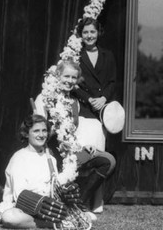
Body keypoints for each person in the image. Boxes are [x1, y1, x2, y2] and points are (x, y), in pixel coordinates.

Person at [35, 60, 116, 217]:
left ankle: (78, 205)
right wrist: (52, 129)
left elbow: (72, 132)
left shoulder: (74, 102)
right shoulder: (44, 99)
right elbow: (37, 133)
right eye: (66, 76)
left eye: (74, 78)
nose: (70, 81)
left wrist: (85, 146)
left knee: (108, 161)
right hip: (49, 153)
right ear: (57, 75)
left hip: (71, 152)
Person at [71, 17, 118, 213]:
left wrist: (104, 98)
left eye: (92, 32)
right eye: (85, 33)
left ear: (98, 33)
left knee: (100, 154)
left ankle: (96, 202)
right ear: (81, 35)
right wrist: (88, 99)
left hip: (102, 113)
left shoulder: (108, 55)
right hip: (84, 112)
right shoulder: (76, 56)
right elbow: (73, 85)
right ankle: (76, 200)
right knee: (83, 156)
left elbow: (113, 82)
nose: (89, 36)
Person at [0, 114, 71, 228]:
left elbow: (54, 189)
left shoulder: (51, 159)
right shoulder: (18, 158)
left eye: (44, 131)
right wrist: (46, 206)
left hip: (48, 208)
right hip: (23, 208)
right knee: (10, 217)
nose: (41, 135)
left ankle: (52, 221)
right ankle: (50, 224)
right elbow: (20, 196)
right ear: (27, 134)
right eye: (36, 131)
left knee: (89, 216)